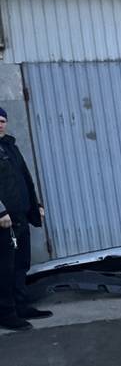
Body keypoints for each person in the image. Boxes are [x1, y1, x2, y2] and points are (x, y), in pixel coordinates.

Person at [0, 107, 52, 331]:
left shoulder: (11, 147)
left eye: (3, 120)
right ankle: (6, 313)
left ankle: (21, 305)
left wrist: (35, 204)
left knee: (21, 264)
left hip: (20, 217)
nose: (0, 124)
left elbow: (25, 178)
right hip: (4, 221)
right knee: (5, 268)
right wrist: (0, 211)